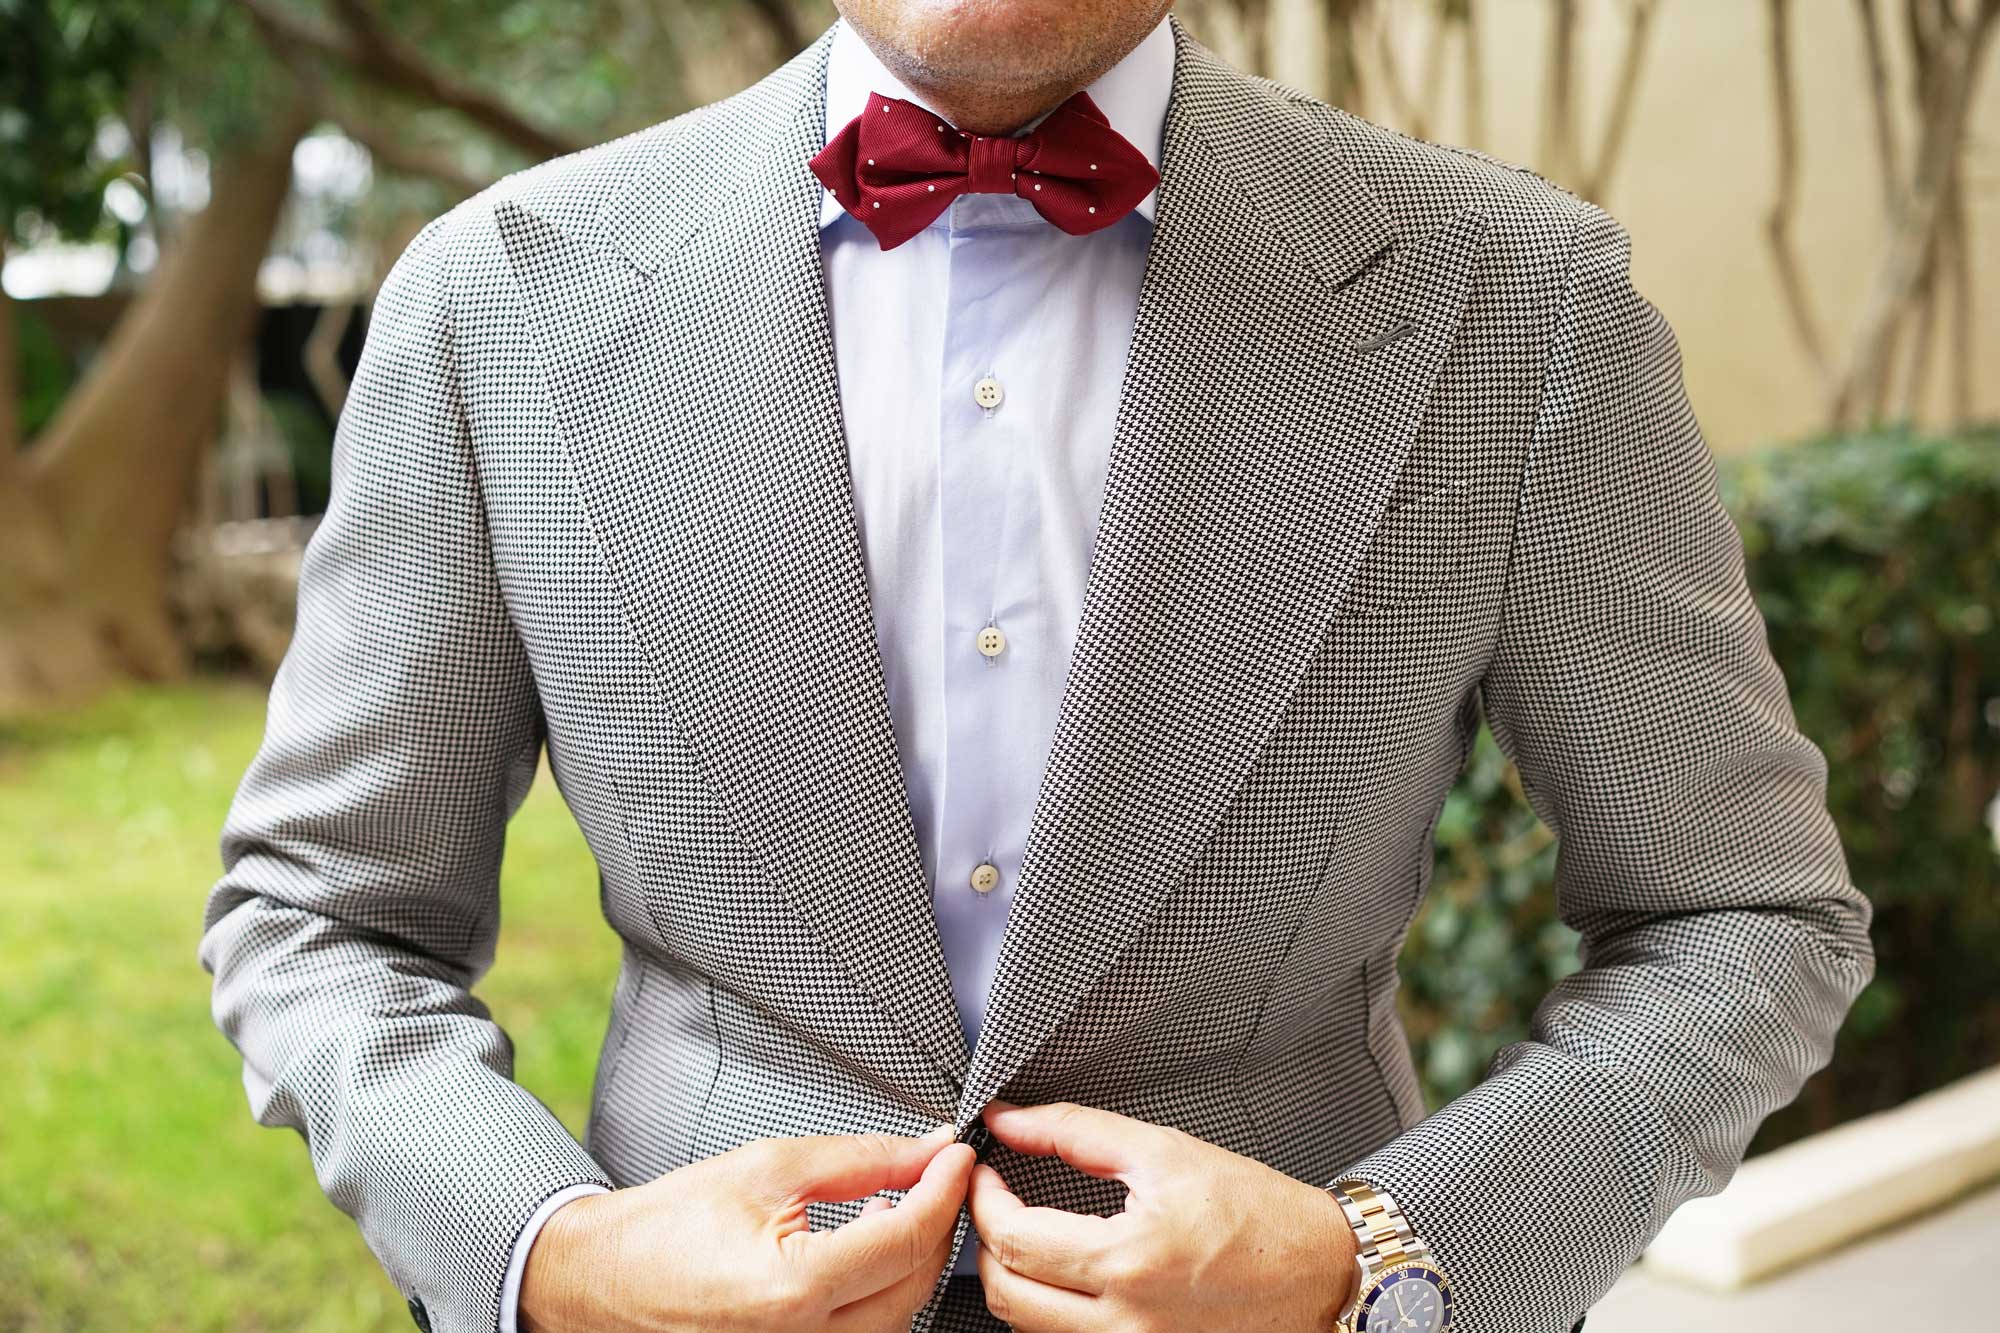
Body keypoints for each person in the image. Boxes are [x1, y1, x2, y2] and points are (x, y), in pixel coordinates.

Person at [199, 1, 1876, 1331]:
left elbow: (1744, 914)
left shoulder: (1516, 303)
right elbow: (322, 916)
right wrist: (552, 1255)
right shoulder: (497, 301)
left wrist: (1380, 1258)